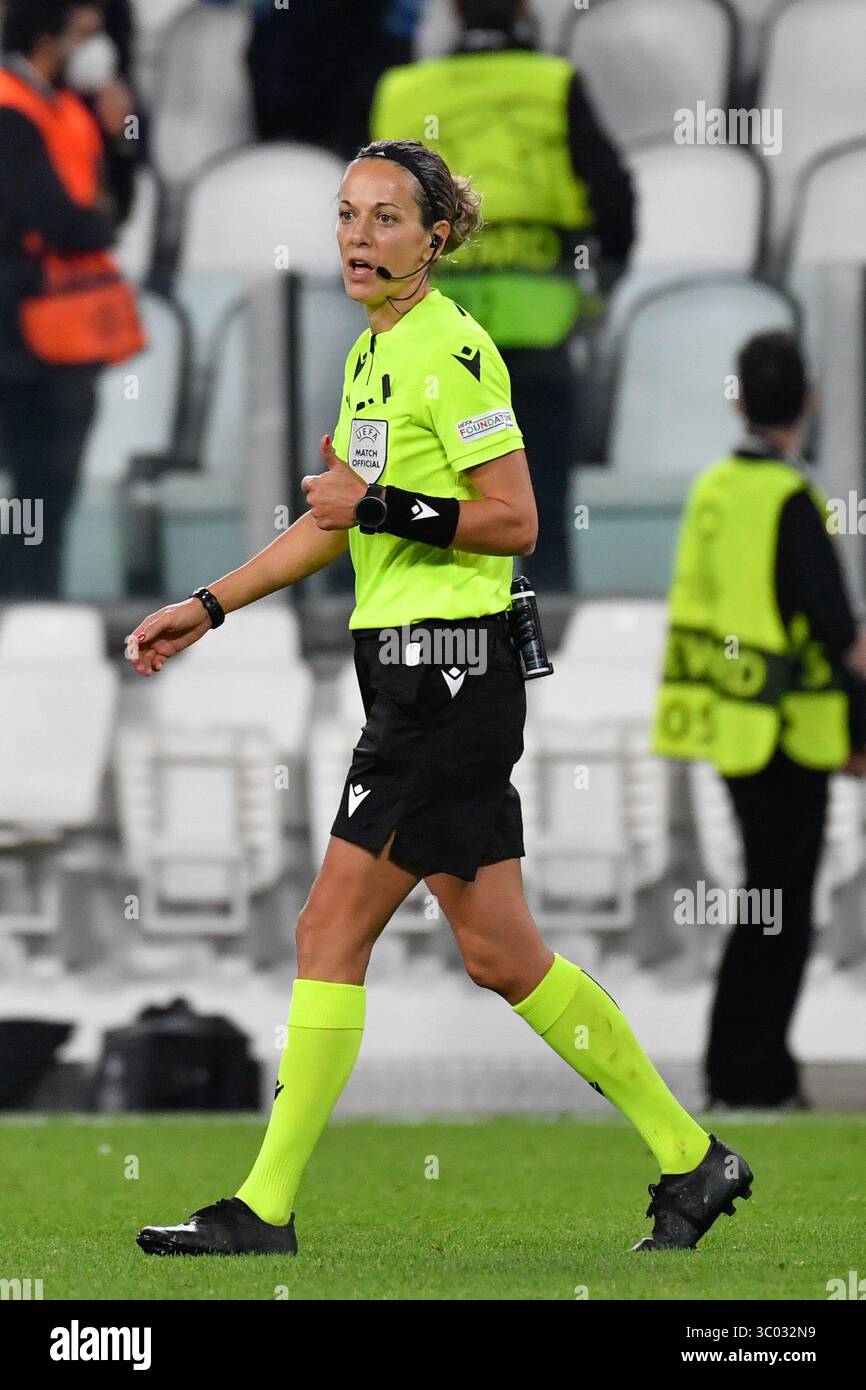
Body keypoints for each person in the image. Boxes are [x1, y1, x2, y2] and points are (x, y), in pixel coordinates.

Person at [128, 138, 750, 1257]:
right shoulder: (372, 359)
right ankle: (691, 1157)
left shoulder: (452, 353)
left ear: (436, 237)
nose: (358, 237)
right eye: (346, 215)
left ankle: (263, 1208)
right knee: (502, 953)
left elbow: (511, 517)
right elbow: (334, 518)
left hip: (447, 675)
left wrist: (381, 508)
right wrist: (208, 606)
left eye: (384, 219)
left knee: (328, 925)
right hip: (419, 673)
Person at [653, 331, 866, 1110]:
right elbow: (840, 634)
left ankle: (742, 1068)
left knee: (760, 904)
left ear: (739, 401)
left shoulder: (714, 489)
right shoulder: (791, 496)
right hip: (792, 731)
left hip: (733, 726)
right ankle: (756, 1074)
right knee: (782, 910)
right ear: (808, 401)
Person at [370, 0, 635, 591]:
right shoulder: (553, 84)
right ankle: (552, 640)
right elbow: (616, 201)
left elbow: (369, 217)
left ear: (454, 13)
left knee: (429, 508)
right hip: (538, 333)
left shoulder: (402, 93)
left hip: (430, 343)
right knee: (538, 508)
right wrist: (604, 278)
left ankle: (436, 644)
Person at [0, 0, 143, 597]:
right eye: (84, 31)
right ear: (48, 35)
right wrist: (96, 224)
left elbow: (116, 205)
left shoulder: (70, 109)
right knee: (37, 476)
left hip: (63, 328)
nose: (96, 44)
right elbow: (55, 217)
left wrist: (121, 141)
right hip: (18, 327)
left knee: (52, 478)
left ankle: (34, 597)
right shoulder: (11, 108)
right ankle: (25, 600)